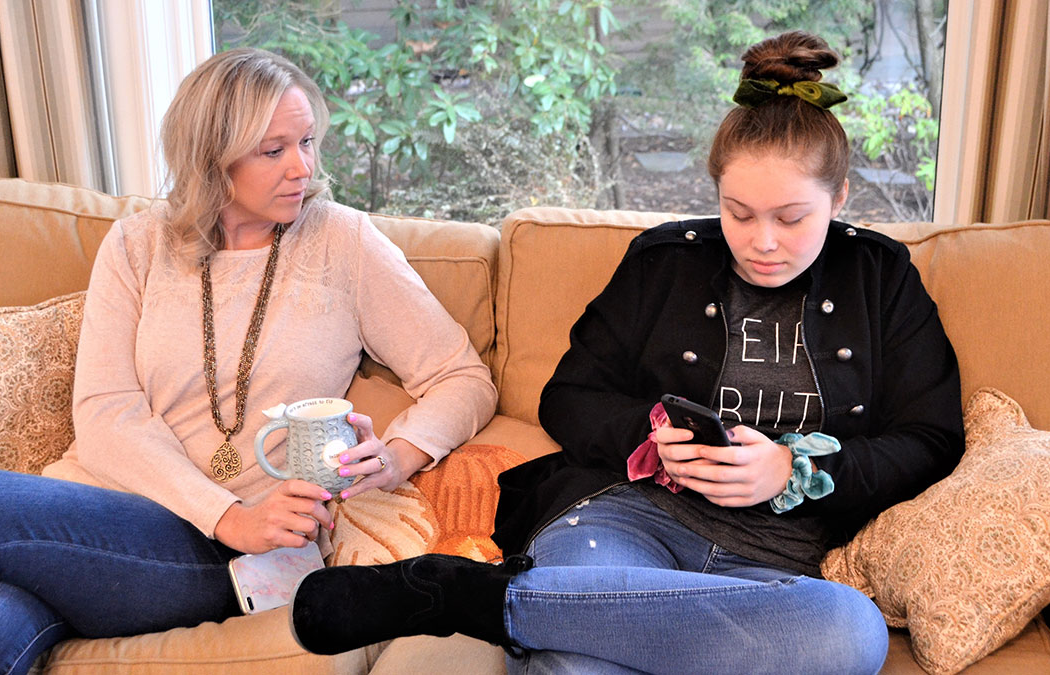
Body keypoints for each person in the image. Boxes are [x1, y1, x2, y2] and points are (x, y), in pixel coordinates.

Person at [288, 31, 963, 674]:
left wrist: (793, 468)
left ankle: (471, 597)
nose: (762, 241)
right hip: (626, 521)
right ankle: (557, 609)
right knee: (579, 658)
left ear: (839, 197)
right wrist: (653, 440)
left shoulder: (880, 277)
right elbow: (568, 397)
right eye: (738, 212)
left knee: (850, 631)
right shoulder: (664, 263)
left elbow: (931, 439)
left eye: (791, 218)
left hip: (776, 561)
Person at [0, 48, 496, 675]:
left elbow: (463, 377)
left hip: (217, 552)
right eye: (273, 150)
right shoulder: (137, 244)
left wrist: (398, 457)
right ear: (212, 157)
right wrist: (225, 513)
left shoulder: (343, 243)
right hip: (88, 522)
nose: (302, 167)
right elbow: (105, 411)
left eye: (306, 142)